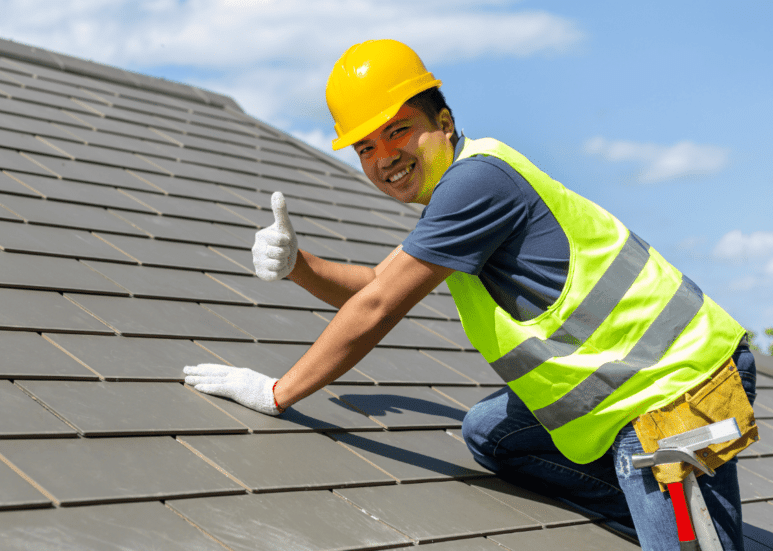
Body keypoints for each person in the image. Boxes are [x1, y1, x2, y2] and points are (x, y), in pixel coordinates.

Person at [184, 39, 756, 550]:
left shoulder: (476, 183)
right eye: (364, 147)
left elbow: (379, 308)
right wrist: (298, 265)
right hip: (627, 389)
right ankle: (654, 504)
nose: (383, 157)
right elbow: (376, 287)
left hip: (677, 393)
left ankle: (681, 518)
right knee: (492, 434)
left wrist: (278, 393)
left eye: (398, 129)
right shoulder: (458, 195)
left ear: (445, 121)